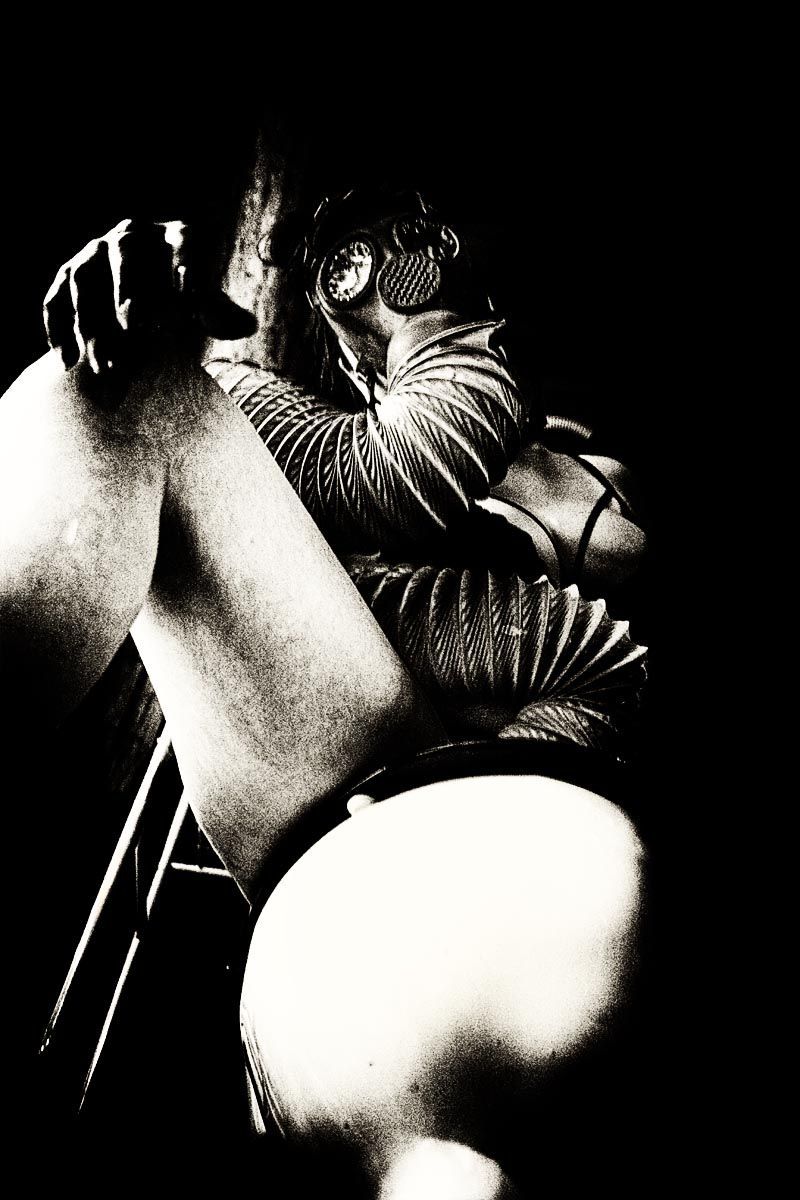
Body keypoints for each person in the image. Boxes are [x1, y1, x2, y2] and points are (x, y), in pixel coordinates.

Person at [0, 192, 651, 1196]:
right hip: (348, 858)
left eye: (421, 233)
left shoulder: (606, 486)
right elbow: (391, 472)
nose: (401, 264)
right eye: (359, 257)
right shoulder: (304, 460)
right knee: (104, 383)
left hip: (584, 878)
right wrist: (136, 319)